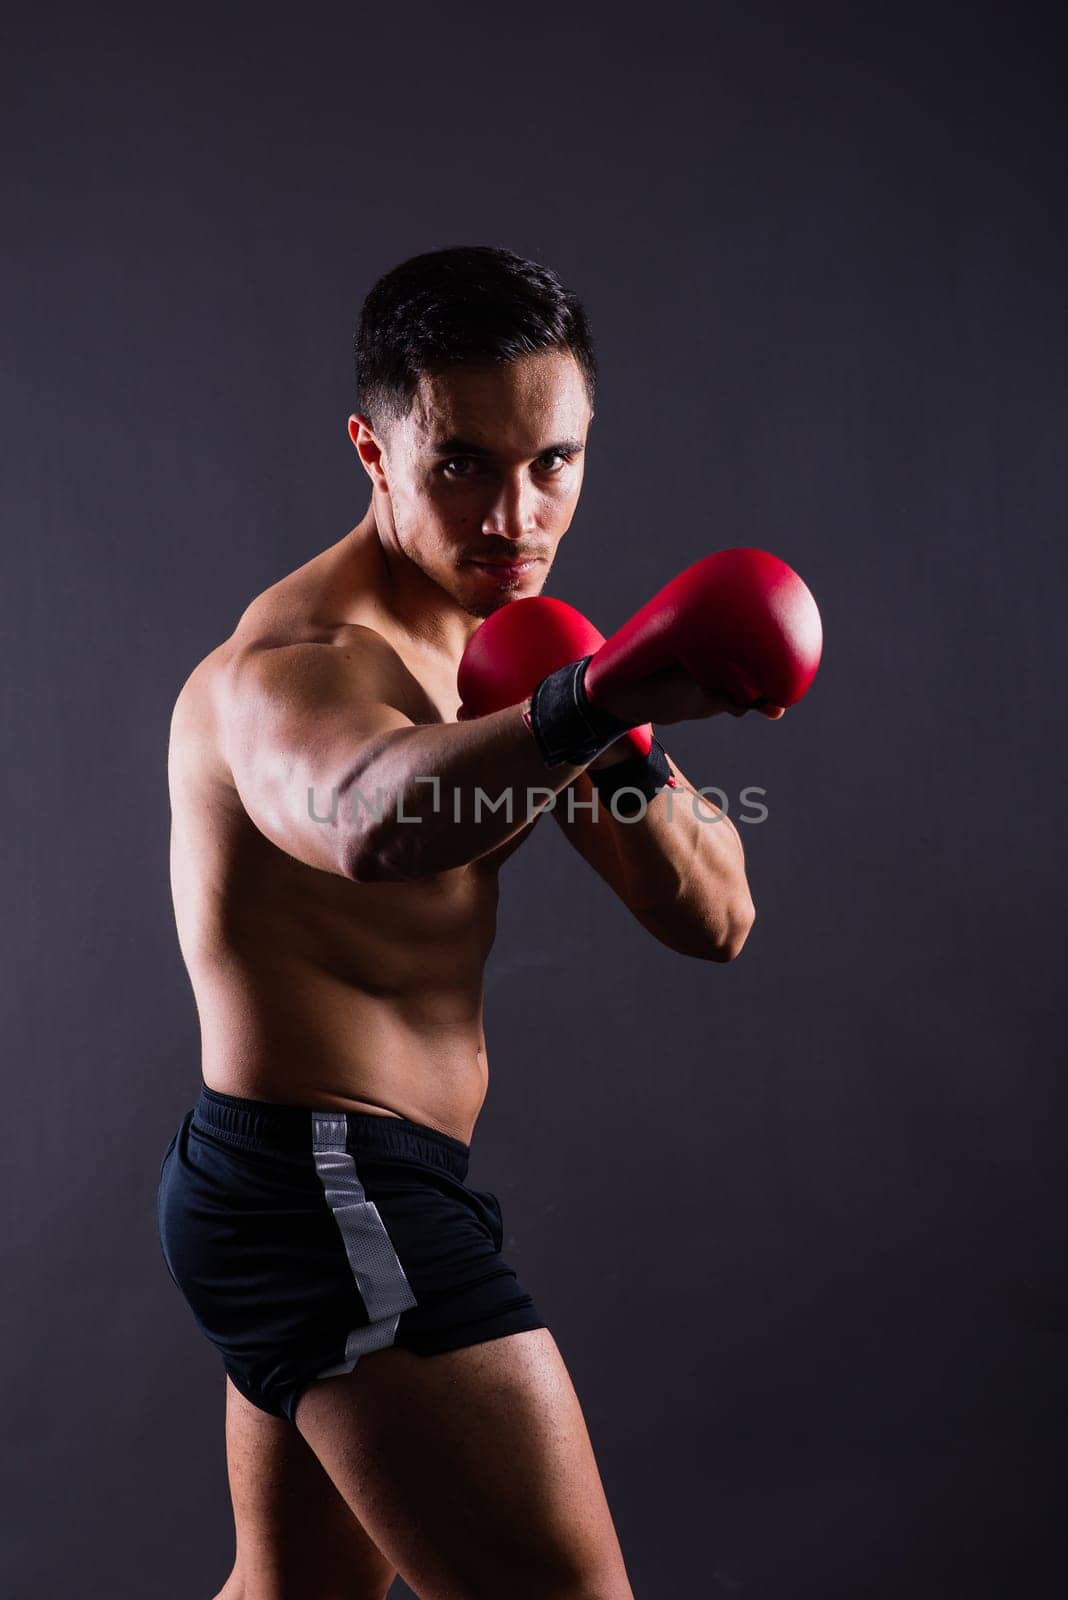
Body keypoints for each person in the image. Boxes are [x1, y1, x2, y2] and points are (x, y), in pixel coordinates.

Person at [157, 244, 784, 1600]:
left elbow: (716, 916)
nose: (517, 514)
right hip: (322, 1183)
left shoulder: (520, 648)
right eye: (462, 466)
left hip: (331, 1183)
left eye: (552, 462)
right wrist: (575, 709)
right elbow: (374, 817)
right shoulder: (297, 668)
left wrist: (604, 707)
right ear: (372, 451)